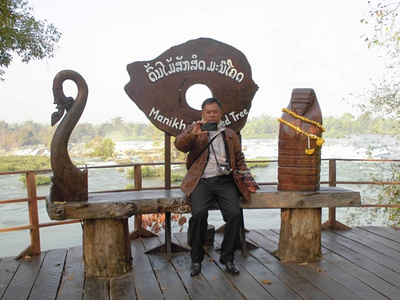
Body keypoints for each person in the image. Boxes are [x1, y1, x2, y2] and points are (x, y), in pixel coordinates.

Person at [174, 97, 257, 277]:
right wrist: (193, 134)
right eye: (208, 112)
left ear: (221, 113)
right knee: (199, 214)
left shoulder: (229, 134)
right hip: (201, 181)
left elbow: (239, 159)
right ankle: (196, 259)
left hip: (225, 181)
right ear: (202, 114)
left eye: (215, 112)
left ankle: (227, 258)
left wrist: (248, 179)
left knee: (235, 214)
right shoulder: (195, 130)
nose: (212, 115)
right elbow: (180, 145)